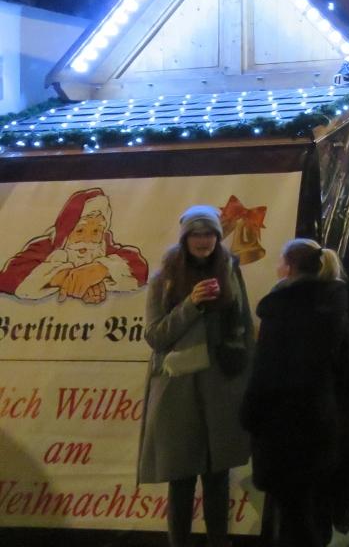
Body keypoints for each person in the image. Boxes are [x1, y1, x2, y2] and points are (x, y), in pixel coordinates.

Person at [137, 206, 253, 547]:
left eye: (210, 234)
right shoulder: (164, 277)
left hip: (222, 387)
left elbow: (244, 326)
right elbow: (155, 336)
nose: (204, 241)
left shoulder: (230, 271)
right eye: (197, 234)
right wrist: (191, 304)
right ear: (185, 238)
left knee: (218, 478)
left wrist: (246, 375)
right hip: (179, 391)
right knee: (182, 479)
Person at [241, 239, 349, 547]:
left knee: (292, 515)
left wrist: (249, 414)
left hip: (284, 424)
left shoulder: (282, 309)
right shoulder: (333, 302)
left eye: (280, 261)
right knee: (314, 504)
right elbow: (343, 362)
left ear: (288, 267)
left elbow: (267, 369)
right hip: (320, 415)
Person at [0, 187, 149, 301]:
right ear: (67, 230)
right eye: (80, 231)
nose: (87, 239)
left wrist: (101, 269)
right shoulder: (47, 246)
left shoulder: (104, 247)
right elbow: (8, 277)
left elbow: (139, 267)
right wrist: (65, 278)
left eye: (96, 231)